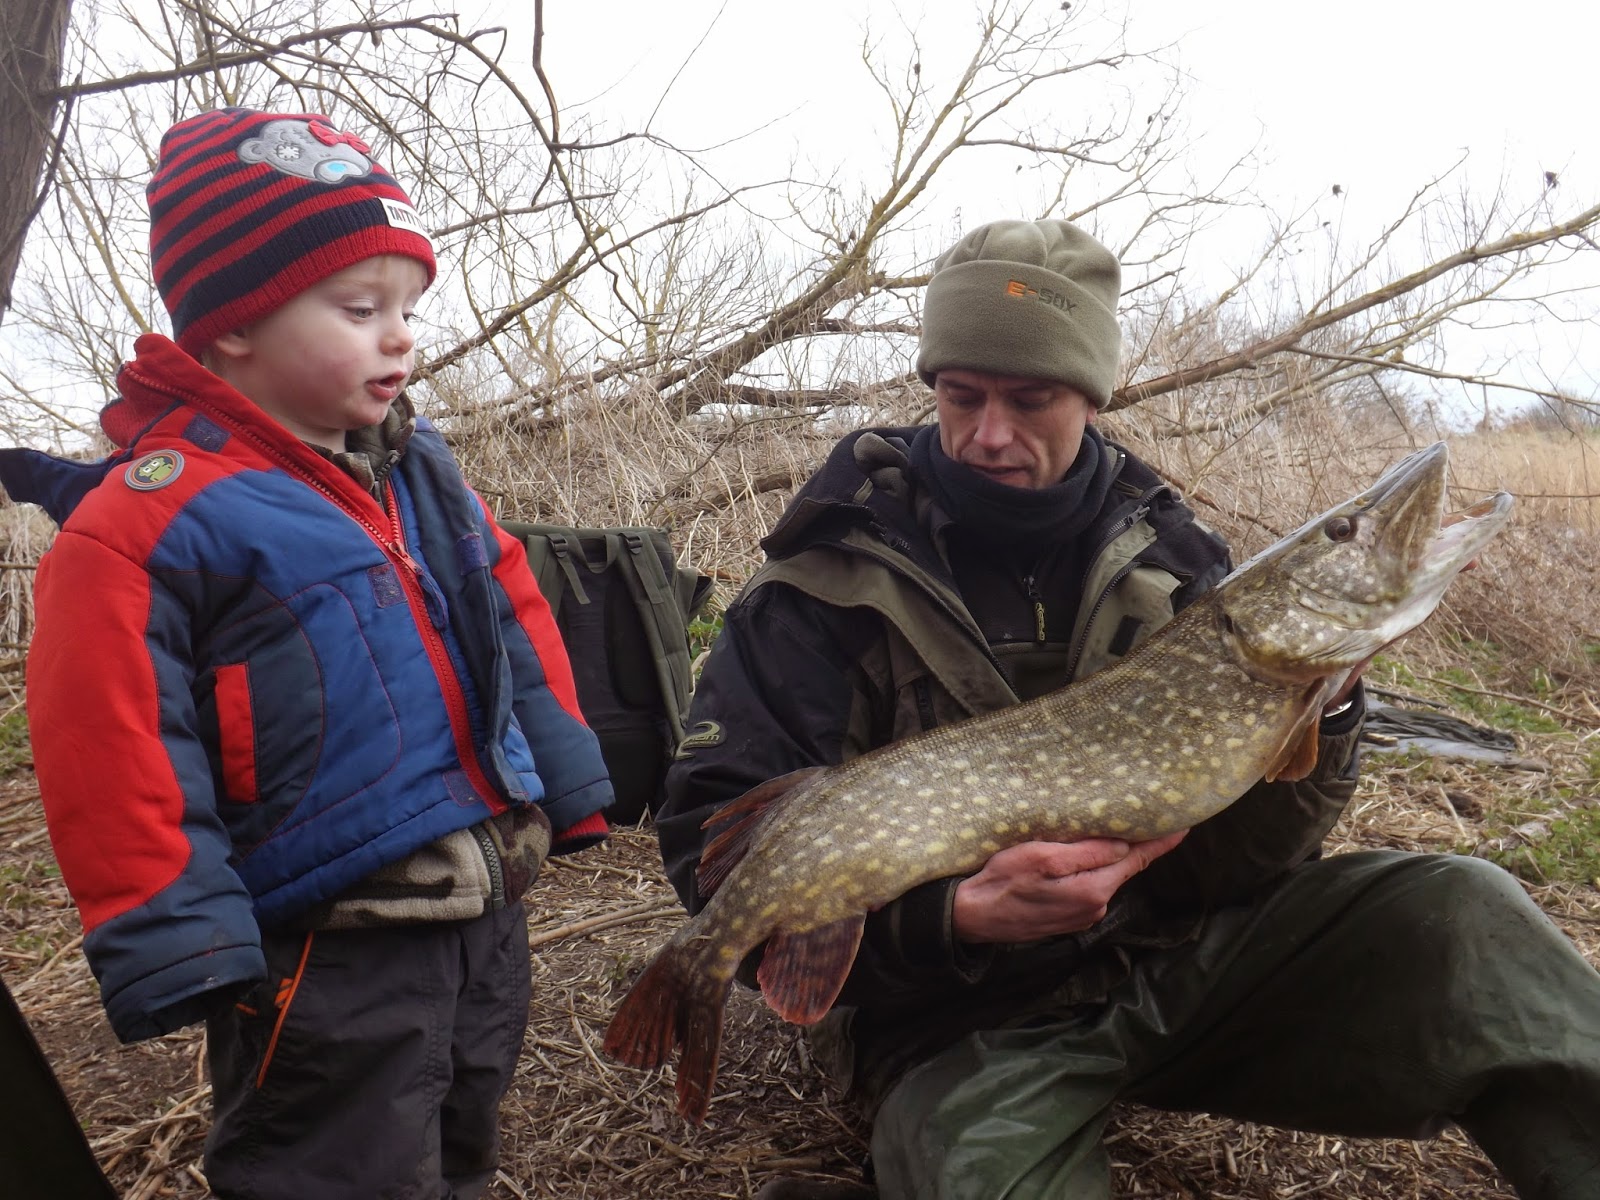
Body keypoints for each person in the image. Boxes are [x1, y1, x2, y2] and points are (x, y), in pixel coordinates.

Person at [655, 218, 1600, 1199]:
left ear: (1091, 396)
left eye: (1030, 399)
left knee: (1463, 914)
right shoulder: (818, 587)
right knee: (983, 1176)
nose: (989, 433)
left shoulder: (1178, 564)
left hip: (1165, 965)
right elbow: (714, 852)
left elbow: (1243, 861)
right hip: (952, 1024)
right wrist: (955, 921)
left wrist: (1329, 702)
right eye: (961, 395)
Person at [8, 107, 613, 1199]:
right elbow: (111, 737)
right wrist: (175, 937)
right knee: (333, 1168)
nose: (400, 337)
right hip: (326, 951)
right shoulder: (152, 519)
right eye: (360, 308)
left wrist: (565, 783)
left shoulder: (419, 473)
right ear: (235, 324)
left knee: (460, 1147)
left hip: (480, 918)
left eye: (408, 309)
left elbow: (508, 618)